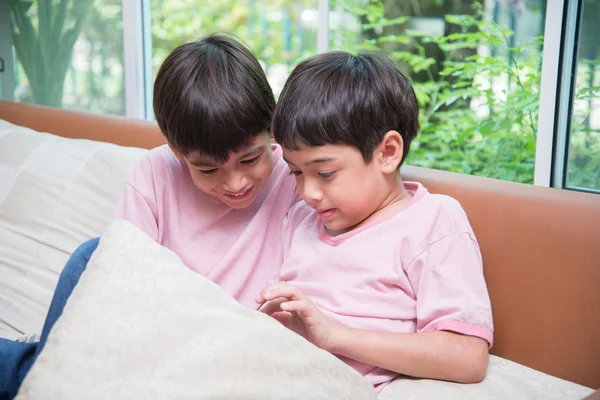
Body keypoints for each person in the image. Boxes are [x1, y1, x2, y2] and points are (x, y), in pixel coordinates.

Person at [0, 33, 298, 399]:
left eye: (251, 158)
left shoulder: (298, 175)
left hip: (232, 350)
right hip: (152, 336)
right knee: (91, 258)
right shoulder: (156, 172)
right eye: (207, 169)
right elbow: (121, 291)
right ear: (177, 152)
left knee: (28, 365)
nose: (236, 182)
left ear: (272, 129)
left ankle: (38, 359)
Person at [257, 51, 493, 391]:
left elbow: (468, 357)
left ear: (387, 153)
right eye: (295, 172)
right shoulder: (300, 219)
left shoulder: (433, 221)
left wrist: (333, 336)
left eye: (325, 172)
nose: (308, 192)